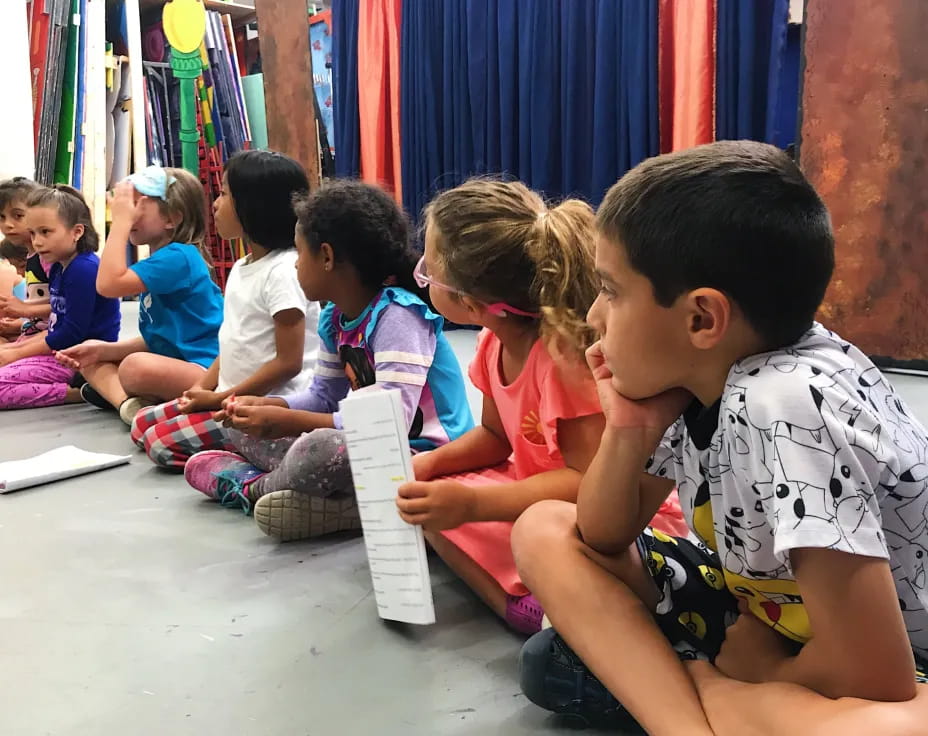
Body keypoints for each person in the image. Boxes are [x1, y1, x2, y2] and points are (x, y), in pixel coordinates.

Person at [512, 141, 928, 736]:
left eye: (612, 290)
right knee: (543, 528)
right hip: (769, 620)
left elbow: (875, 675)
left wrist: (745, 677)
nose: (595, 317)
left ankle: (694, 698)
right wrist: (628, 431)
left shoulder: (782, 402)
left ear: (702, 318)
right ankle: (693, 720)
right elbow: (602, 536)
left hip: (899, 666)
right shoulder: (694, 378)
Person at [394, 180, 686, 634]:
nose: (423, 274)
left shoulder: (562, 361)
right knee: (431, 511)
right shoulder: (492, 342)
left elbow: (586, 482)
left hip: (609, 516)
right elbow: (494, 438)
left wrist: (472, 504)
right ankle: (534, 588)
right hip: (536, 493)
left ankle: (527, 605)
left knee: (458, 515)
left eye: (427, 270)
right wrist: (431, 464)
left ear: (470, 304)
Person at [183, 180, 473, 541]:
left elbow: (390, 423)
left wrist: (288, 420)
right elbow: (322, 396)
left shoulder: (399, 316)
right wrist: (267, 407)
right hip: (361, 441)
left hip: (420, 455)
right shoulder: (334, 318)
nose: (296, 265)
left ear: (326, 257)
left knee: (319, 449)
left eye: (300, 254)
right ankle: (334, 499)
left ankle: (254, 487)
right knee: (234, 423)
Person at [130, 151, 319, 469]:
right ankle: (236, 445)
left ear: (253, 206)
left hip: (267, 403)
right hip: (229, 397)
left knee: (159, 443)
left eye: (224, 194)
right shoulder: (244, 266)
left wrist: (219, 399)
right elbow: (232, 341)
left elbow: (289, 363)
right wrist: (202, 388)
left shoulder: (284, 270)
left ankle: (257, 455)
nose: (215, 204)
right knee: (141, 425)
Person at [56, 166, 223, 425]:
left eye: (136, 204)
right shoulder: (163, 258)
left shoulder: (179, 257)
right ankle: (129, 404)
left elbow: (107, 285)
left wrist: (120, 223)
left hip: (205, 370)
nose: (128, 211)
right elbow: (159, 337)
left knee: (133, 368)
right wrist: (105, 350)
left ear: (172, 219)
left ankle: (130, 397)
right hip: (174, 361)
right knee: (91, 360)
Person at [0, 186, 119, 409]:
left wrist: (15, 352)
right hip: (59, 351)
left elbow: (71, 333)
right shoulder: (59, 266)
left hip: (77, 359)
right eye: (33, 233)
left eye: (45, 232)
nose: (36, 241)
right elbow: (56, 321)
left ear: (77, 232)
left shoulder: (83, 269)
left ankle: (75, 393)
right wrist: (12, 350)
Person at [0, 177, 51, 340]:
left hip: (52, 340)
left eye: (18, 216)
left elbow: (67, 308)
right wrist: (21, 323)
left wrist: (24, 310)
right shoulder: (31, 256)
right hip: (33, 332)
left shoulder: (49, 257)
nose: (7, 224)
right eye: (1, 217)